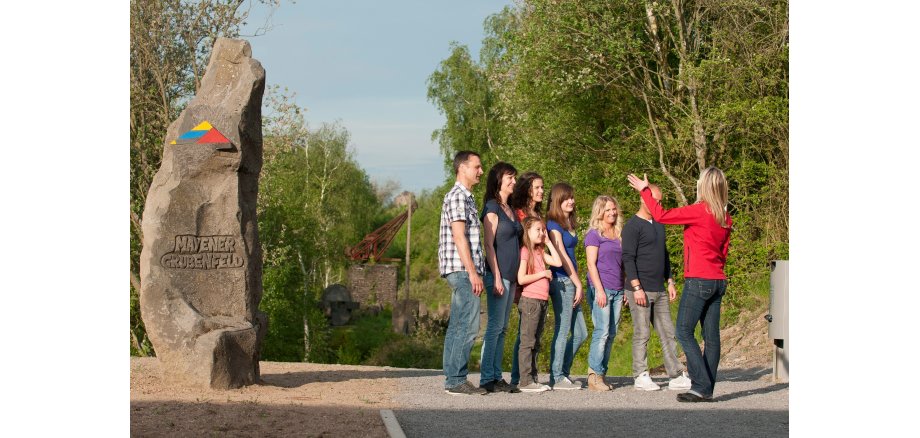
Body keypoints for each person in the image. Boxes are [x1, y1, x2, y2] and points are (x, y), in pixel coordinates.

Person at [627, 167, 732, 403]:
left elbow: (661, 215)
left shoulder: (699, 211)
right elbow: (723, 252)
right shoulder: (724, 217)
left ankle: (701, 385)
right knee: (711, 337)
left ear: (703, 186)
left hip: (699, 279)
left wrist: (645, 191)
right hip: (718, 280)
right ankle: (707, 388)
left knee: (684, 331)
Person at [621, 183, 691, 391]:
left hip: (659, 288)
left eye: (660, 201)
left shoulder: (659, 223)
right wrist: (636, 287)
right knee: (642, 333)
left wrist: (670, 280)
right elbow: (628, 258)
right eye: (656, 200)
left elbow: (664, 254)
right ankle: (640, 374)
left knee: (668, 332)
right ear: (643, 199)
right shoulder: (632, 226)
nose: (658, 204)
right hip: (640, 289)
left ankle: (676, 374)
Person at [438, 150, 487, 396]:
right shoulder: (458, 197)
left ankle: (453, 378)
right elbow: (459, 237)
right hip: (462, 269)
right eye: (477, 167)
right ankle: (456, 380)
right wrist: (473, 273)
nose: (480, 171)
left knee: (458, 324)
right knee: (467, 325)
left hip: (462, 269)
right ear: (462, 168)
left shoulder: (467, 198)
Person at [478, 162, 522, 393]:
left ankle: (496, 376)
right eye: (510, 177)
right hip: (498, 275)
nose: (514, 181)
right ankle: (486, 377)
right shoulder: (492, 207)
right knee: (494, 326)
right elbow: (488, 243)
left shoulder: (510, 209)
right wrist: (495, 276)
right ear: (499, 180)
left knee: (503, 327)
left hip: (511, 277)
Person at [545, 182, 587, 390]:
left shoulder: (568, 223)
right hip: (562, 281)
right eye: (566, 198)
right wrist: (578, 283)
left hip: (571, 282)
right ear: (557, 201)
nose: (571, 201)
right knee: (562, 331)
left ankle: (563, 372)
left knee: (581, 333)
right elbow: (561, 256)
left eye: (572, 197)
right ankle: (557, 376)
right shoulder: (553, 226)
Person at [516, 216, 563, 393]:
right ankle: (525, 381)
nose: (542, 233)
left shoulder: (540, 252)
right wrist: (543, 274)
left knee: (536, 342)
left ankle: (533, 378)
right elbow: (521, 278)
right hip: (530, 301)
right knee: (527, 341)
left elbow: (558, 262)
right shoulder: (525, 252)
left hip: (542, 301)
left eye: (544, 230)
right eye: (538, 230)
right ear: (527, 231)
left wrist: (549, 242)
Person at [584, 195, 626, 392]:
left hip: (618, 288)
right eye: (608, 209)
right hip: (601, 288)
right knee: (601, 331)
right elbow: (591, 264)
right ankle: (594, 375)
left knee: (612, 333)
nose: (612, 213)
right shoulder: (594, 234)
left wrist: (625, 287)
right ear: (600, 211)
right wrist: (599, 290)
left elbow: (623, 264)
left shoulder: (618, 234)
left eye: (614, 209)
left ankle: (602, 373)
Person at [507, 171, 545, 388]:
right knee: (526, 333)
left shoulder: (538, 215)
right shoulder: (519, 213)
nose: (541, 191)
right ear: (528, 189)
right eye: (537, 187)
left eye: (542, 187)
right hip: (524, 276)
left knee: (531, 333)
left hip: (538, 278)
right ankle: (520, 378)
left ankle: (523, 376)